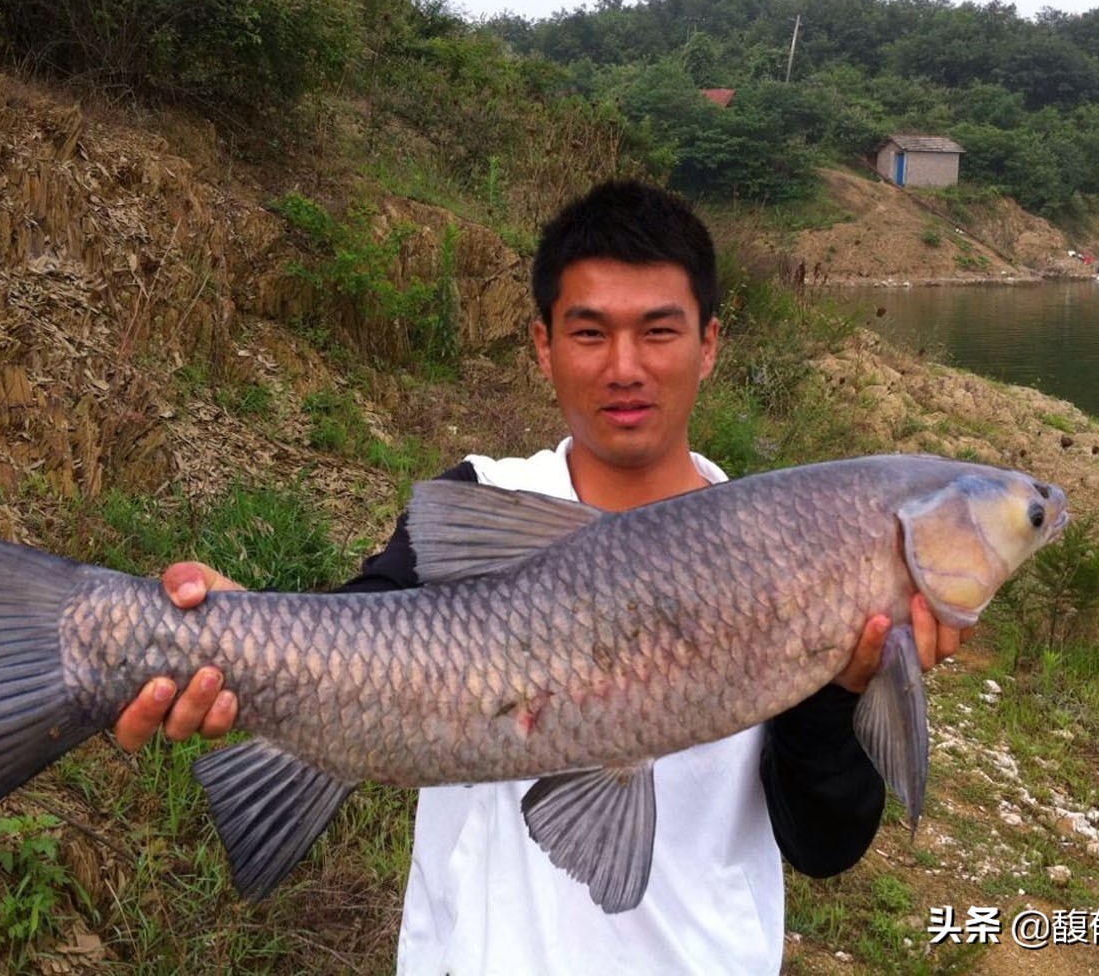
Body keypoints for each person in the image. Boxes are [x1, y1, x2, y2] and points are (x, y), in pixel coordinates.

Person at [113, 180, 969, 974]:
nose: (623, 366)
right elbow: (358, 630)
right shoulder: (479, 496)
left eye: (659, 331)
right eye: (590, 332)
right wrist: (231, 629)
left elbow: (825, 845)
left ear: (709, 345)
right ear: (543, 346)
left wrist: (836, 688)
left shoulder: (785, 549)